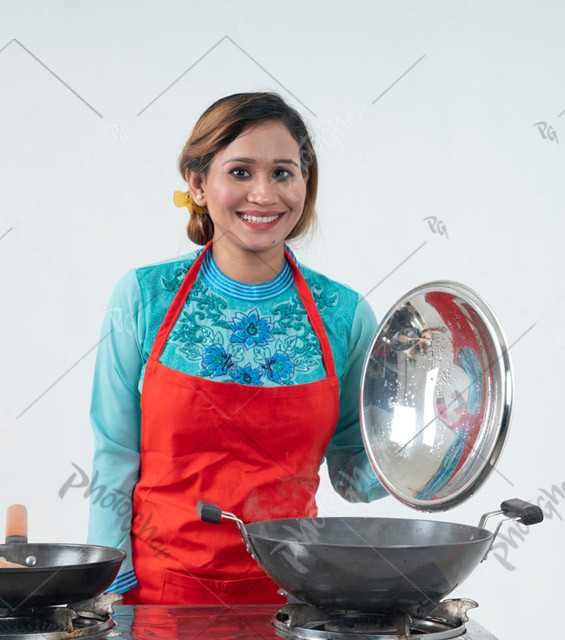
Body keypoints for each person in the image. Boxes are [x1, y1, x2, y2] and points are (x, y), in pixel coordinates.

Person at [86, 92, 389, 606]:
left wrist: (430, 461)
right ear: (199, 184)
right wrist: (107, 593)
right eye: (242, 171)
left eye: (283, 173)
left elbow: (353, 477)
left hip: (295, 602)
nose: (264, 194)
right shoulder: (144, 298)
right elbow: (114, 457)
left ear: (305, 184)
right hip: (160, 599)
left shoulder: (345, 315)